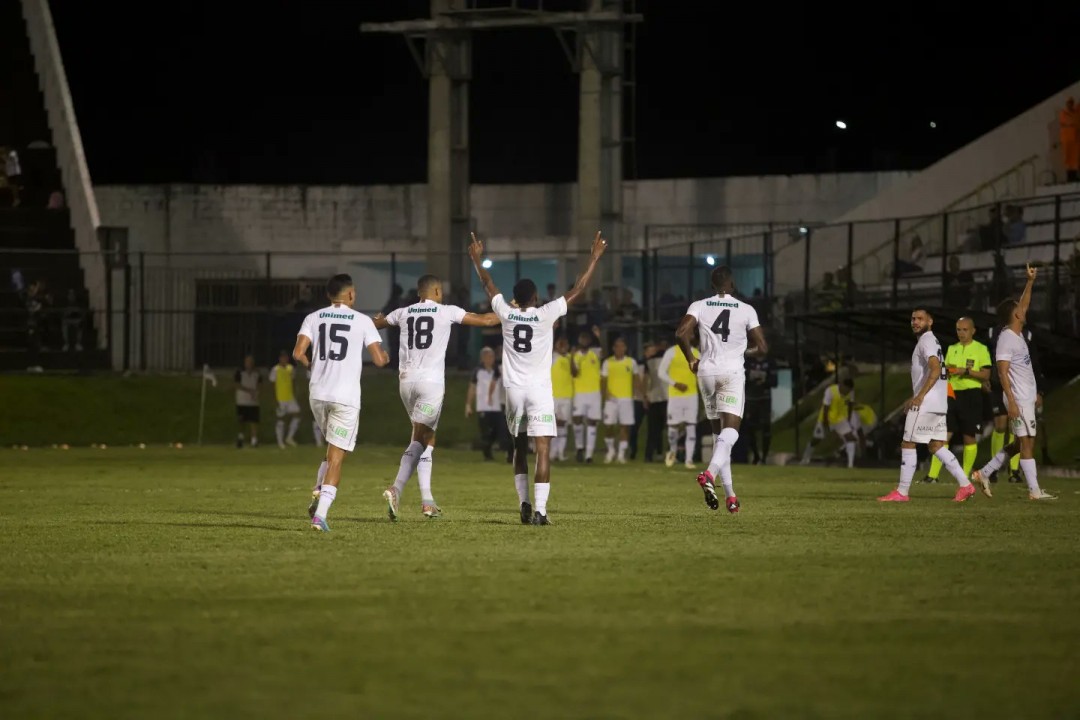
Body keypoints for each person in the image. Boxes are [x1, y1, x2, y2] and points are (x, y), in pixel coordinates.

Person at [468, 230, 607, 525]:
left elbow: (488, 284)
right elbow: (578, 289)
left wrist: (476, 259)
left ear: (516, 298)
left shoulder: (506, 312)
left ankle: (524, 503)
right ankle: (541, 511)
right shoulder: (546, 313)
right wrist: (593, 258)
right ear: (534, 297)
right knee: (542, 448)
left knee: (519, 447)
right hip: (539, 391)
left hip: (514, 390)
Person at [373, 274, 500, 520]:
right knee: (421, 440)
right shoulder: (446, 311)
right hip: (430, 384)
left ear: (419, 293)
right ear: (438, 292)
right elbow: (486, 320)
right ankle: (396, 488)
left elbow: (375, 324)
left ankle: (427, 501)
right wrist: (509, 312)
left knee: (425, 438)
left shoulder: (402, 312)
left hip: (406, 382)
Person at [292, 273, 389, 532]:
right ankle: (320, 515)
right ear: (350, 294)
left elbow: (298, 353)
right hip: (345, 397)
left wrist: (310, 364)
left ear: (328, 295)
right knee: (337, 457)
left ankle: (318, 489)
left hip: (318, 394)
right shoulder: (362, 320)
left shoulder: (313, 317)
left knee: (331, 450)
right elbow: (379, 360)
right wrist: (386, 357)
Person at [674, 266, 768, 513]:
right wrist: (744, 351)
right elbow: (763, 346)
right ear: (732, 284)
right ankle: (709, 474)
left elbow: (681, 333)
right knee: (731, 433)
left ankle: (731, 496)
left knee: (719, 439)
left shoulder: (700, 305)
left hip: (706, 372)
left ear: (713, 285)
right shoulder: (747, 309)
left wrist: (691, 359)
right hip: (732, 373)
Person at [878, 308, 983, 502]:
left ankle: (902, 492)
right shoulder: (932, 341)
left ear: (930, 321)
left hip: (927, 403)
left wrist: (919, 396)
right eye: (913, 319)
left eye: (920, 319)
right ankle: (966, 485)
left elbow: (935, 368)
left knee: (908, 443)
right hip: (939, 403)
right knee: (936, 445)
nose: (915, 322)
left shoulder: (926, 340)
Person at [972, 266, 1056, 500]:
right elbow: (1001, 371)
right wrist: (1011, 401)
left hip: (1025, 396)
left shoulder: (1017, 333)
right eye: (1020, 309)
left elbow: (1024, 302)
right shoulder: (1006, 340)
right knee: (1027, 443)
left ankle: (984, 472)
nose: (1024, 308)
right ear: (1016, 315)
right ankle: (1034, 491)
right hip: (1017, 398)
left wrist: (1030, 281)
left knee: (1021, 443)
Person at [922, 317, 990, 483]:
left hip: (971, 395)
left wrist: (965, 372)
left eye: (965, 330)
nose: (961, 333)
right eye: (958, 329)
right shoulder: (952, 348)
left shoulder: (981, 349)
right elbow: (945, 370)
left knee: (969, 437)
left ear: (973, 330)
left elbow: (986, 375)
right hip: (951, 395)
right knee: (942, 436)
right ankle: (932, 476)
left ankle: (964, 476)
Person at [658, 340, 701, 469]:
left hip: (692, 395)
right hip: (675, 396)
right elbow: (661, 372)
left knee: (691, 426)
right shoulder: (672, 352)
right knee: (673, 427)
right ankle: (672, 452)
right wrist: (675, 383)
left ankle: (688, 460)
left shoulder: (696, 353)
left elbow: (701, 374)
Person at [800, 378, 857, 467]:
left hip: (840, 419)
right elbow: (826, 407)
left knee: (850, 438)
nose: (847, 392)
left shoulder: (851, 392)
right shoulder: (830, 390)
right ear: (842, 385)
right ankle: (805, 458)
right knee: (816, 439)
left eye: (848, 391)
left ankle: (850, 465)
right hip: (826, 419)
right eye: (846, 390)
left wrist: (848, 420)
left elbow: (850, 405)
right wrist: (825, 422)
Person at [601, 337, 639, 464]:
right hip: (611, 400)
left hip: (626, 399)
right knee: (608, 426)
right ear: (613, 348)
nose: (619, 349)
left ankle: (621, 454)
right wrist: (605, 395)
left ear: (625, 348)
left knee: (625, 426)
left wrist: (637, 394)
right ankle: (611, 450)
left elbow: (636, 379)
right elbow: (603, 381)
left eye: (622, 346)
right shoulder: (607, 362)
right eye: (617, 346)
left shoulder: (631, 362)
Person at [467, 346, 508, 461]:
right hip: (483, 407)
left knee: (500, 430)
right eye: (488, 357)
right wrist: (468, 405)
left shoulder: (498, 370)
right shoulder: (477, 371)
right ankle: (487, 455)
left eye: (492, 356)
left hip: (497, 407)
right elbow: (472, 388)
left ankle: (504, 451)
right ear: (483, 358)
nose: (490, 359)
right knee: (486, 433)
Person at [570, 329, 602, 463]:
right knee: (577, 419)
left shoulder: (594, 353)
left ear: (589, 341)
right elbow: (574, 373)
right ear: (579, 341)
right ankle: (579, 448)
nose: (584, 341)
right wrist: (571, 358)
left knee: (592, 422)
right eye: (582, 339)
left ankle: (589, 455)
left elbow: (603, 352)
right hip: (580, 392)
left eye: (586, 339)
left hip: (594, 392)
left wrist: (599, 337)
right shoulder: (576, 355)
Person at [743, 352, 777, 465]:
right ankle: (756, 456)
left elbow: (774, 381)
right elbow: (743, 378)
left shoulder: (770, 362)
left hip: (765, 399)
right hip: (751, 399)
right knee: (750, 428)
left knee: (766, 427)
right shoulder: (748, 362)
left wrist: (764, 382)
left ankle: (764, 457)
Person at [269, 350, 302, 448]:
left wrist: (295, 393)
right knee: (281, 419)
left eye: (286, 357)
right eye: (282, 357)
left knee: (297, 415)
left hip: (290, 397)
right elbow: (272, 385)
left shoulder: (290, 368)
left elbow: (293, 382)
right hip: (280, 398)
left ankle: (289, 437)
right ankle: (280, 442)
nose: (284, 359)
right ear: (279, 358)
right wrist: (274, 399)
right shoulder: (275, 369)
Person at [550, 336, 574, 462]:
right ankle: (553, 452)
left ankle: (560, 452)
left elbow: (575, 373)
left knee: (563, 423)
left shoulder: (570, 358)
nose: (563, 347)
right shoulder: (552, 357)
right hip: (553, 396)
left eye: (565, 345)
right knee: (553, 424)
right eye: (561, 344)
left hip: (567, 395)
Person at [234, 354, 262, 448]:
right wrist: (249, 390)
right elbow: (237, 385)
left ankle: (254, 440)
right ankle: (240, 438)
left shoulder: (257, 373)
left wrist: (256, 393)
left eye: (250, 361)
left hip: (253, 401)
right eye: (247, 361)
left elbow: (259, 385)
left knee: (254, 421)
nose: (249, 363)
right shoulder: (240, 372)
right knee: (242, 421)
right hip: (242, 400)